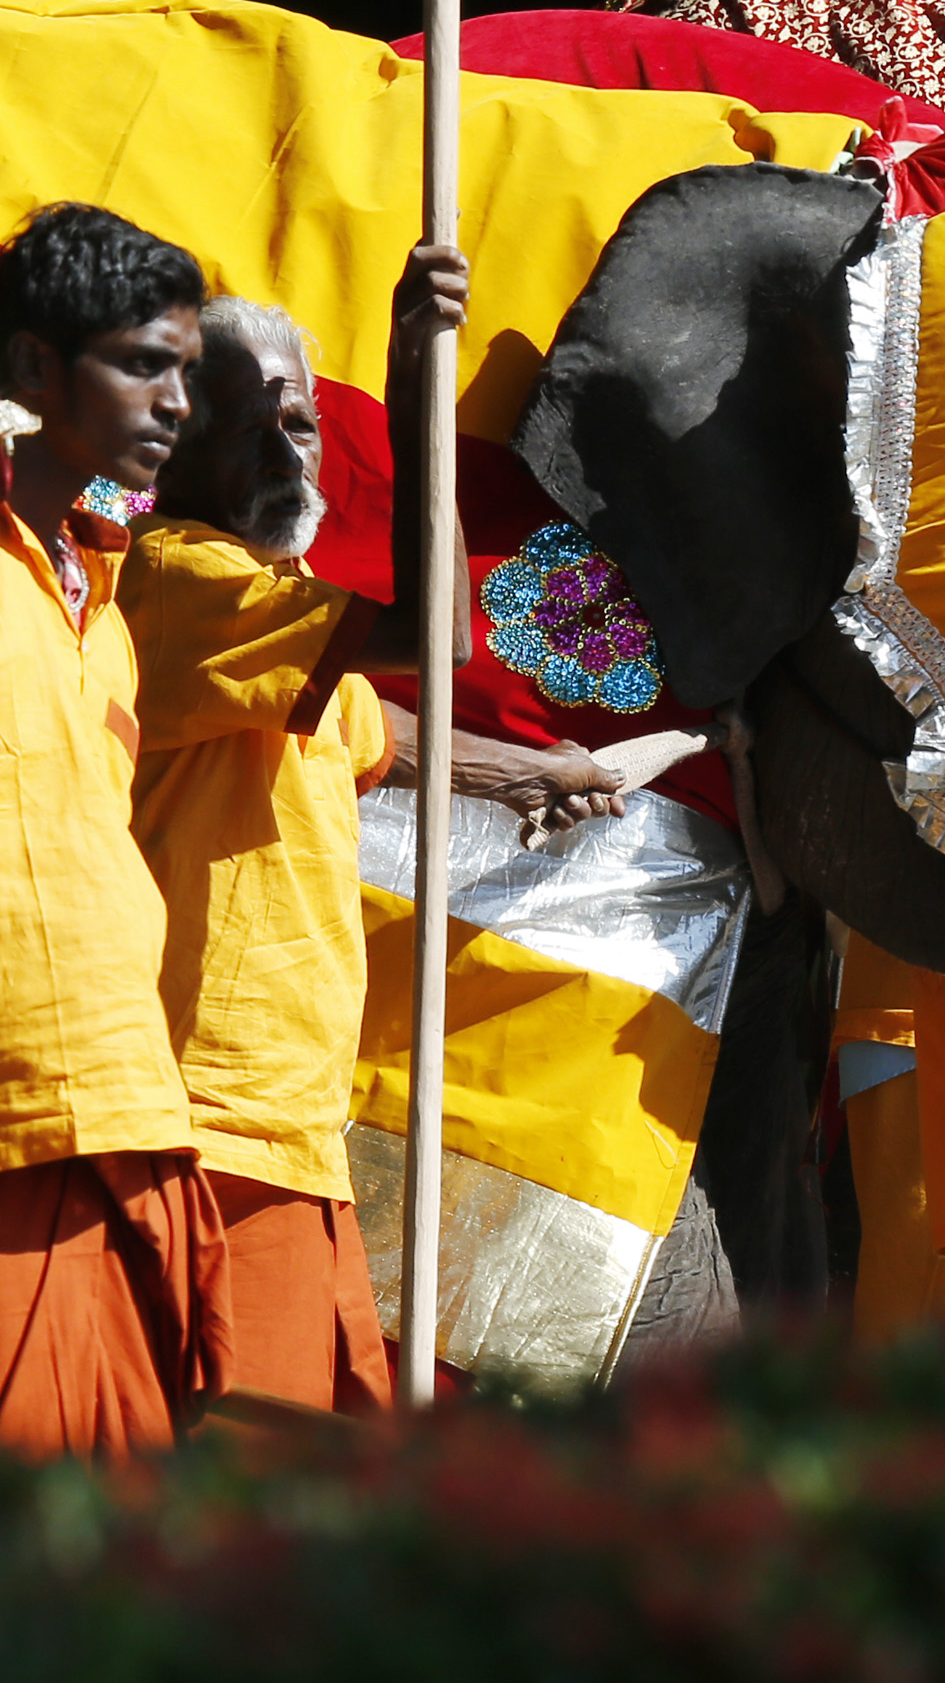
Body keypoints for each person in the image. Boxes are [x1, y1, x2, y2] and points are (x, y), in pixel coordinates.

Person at [119, 261, 624, 1415]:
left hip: (281, 1122)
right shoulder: (178, 578)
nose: (288, 453)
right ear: (173, 442)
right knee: (230, 1496)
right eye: (248, 426)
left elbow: (375, 729)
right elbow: (436, 642)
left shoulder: (268, 602)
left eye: (298, 421)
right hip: (205, 1119)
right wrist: (416, 396)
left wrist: (527, 770)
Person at [0, 204, 227, 1452]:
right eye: (145, 361)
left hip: (126, 1089)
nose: (178, 401)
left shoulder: (105, 588)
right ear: (35, 366)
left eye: (185, 371)